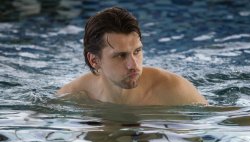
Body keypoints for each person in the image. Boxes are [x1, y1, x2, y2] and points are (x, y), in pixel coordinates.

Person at [57, 7, 208, 106]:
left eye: (137, 51)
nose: (133, 65)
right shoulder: (76, 95)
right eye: (121, 56)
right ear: (94, 60)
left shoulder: (173, 89)